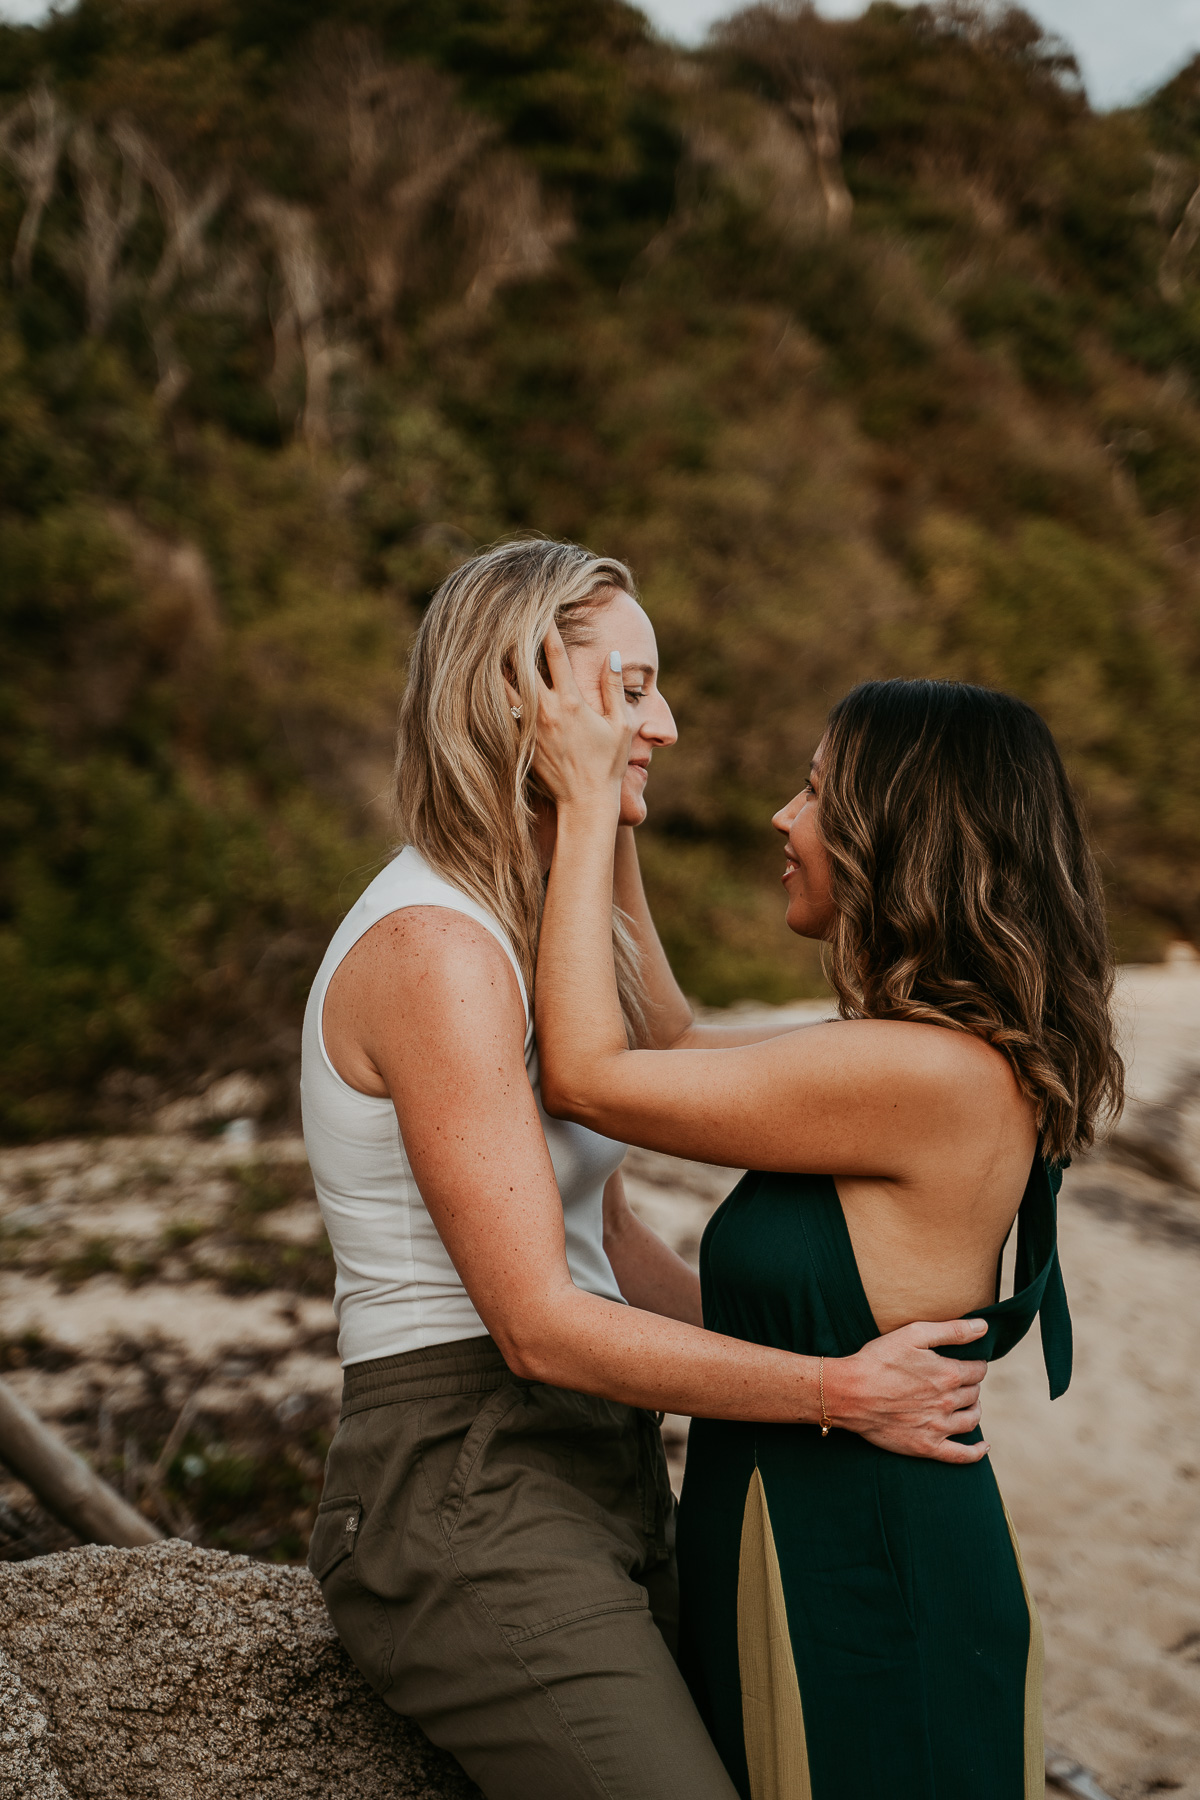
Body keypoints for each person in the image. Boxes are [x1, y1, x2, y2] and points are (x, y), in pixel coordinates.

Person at [301, 539, 993, 1800]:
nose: (665, 726)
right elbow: (537, 1324)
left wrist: (824, 1360)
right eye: (631, 689)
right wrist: (837, 1389)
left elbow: (608, 1244)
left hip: (601, 1462)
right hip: (460, 1475)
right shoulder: (436, 950)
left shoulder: (524, 934)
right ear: (522, 695)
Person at [529, 644, 1123, 1800]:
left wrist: (590, 806)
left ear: (893, 838)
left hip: (864, 1571)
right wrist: (620, 830)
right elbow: (676, 1052)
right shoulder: (919, 1057)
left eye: (815, 792)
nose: (781, 815)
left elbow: (591, 1077)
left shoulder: (928, 1073)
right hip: (803, 1532)